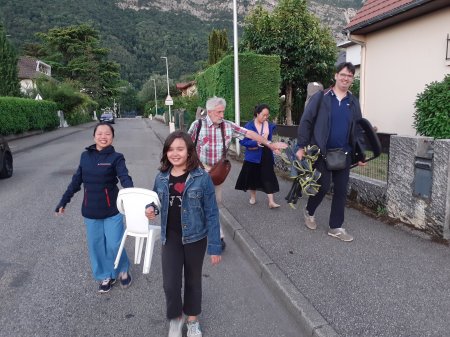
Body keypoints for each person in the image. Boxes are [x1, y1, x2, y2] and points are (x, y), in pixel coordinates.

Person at [145, 131, 221, 337]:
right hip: (170, 237)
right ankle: (176, 319)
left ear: (189, 151)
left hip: (196, 238)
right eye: (170, 149)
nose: (175, 153)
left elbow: (212, 213)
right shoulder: (161, 177)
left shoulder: (202, 178)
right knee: (170, 283)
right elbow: (157, 202)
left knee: (193, 280)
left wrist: (215, 246)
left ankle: (193, 321)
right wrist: (151, 208)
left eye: (180, 149)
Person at [188, 97, 287, 249]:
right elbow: (186, 146)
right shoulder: (197, 125)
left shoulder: (228, 126)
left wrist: (270, 144)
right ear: (209, 112)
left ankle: (208, 229)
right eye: (219, 112)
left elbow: (249, 134)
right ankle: (217, 236)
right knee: (205, 203)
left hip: (217, 173)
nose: (222, 115)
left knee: (214, 203)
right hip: (199, 171)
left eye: (223, 112)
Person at [55, 122, 133, 293]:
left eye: (107, 134)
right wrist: (64, 201)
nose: (103, 137)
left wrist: (133, 196)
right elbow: (76, 181)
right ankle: (105, 275)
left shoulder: (116, 157)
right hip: (91, 210)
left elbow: (125, 178)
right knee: (97, 246)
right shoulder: (85, 157)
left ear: (112, 138)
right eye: (100, 133)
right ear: (94, 136)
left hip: (112, 209)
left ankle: (122, 268)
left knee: (114, 244)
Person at [296, 62, 366, 242]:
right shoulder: (322, 97)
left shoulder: (353, 102)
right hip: (322, 152)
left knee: (341, 191)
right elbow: (306, 121)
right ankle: (309, 211)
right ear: (335, 75)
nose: (345, 78)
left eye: (349, 76)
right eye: (343, 74)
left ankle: (336, 227)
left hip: (344, 154)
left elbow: (358, 129)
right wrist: (301, 146)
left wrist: (360, 154)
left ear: (352, 79)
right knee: (323, 186)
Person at [235, 104, 281, 208]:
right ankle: (253, 197)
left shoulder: (268, 125)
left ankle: (271, 202)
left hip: (266, 154)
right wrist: (254, 143)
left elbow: (269, 141)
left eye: (267, 115)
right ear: (257, 114)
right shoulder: (249, 126)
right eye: (263, 115)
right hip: (253, 155)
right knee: (253, 176)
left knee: (268, 176)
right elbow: (242, 141)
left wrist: (274, 148)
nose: (266, 117)